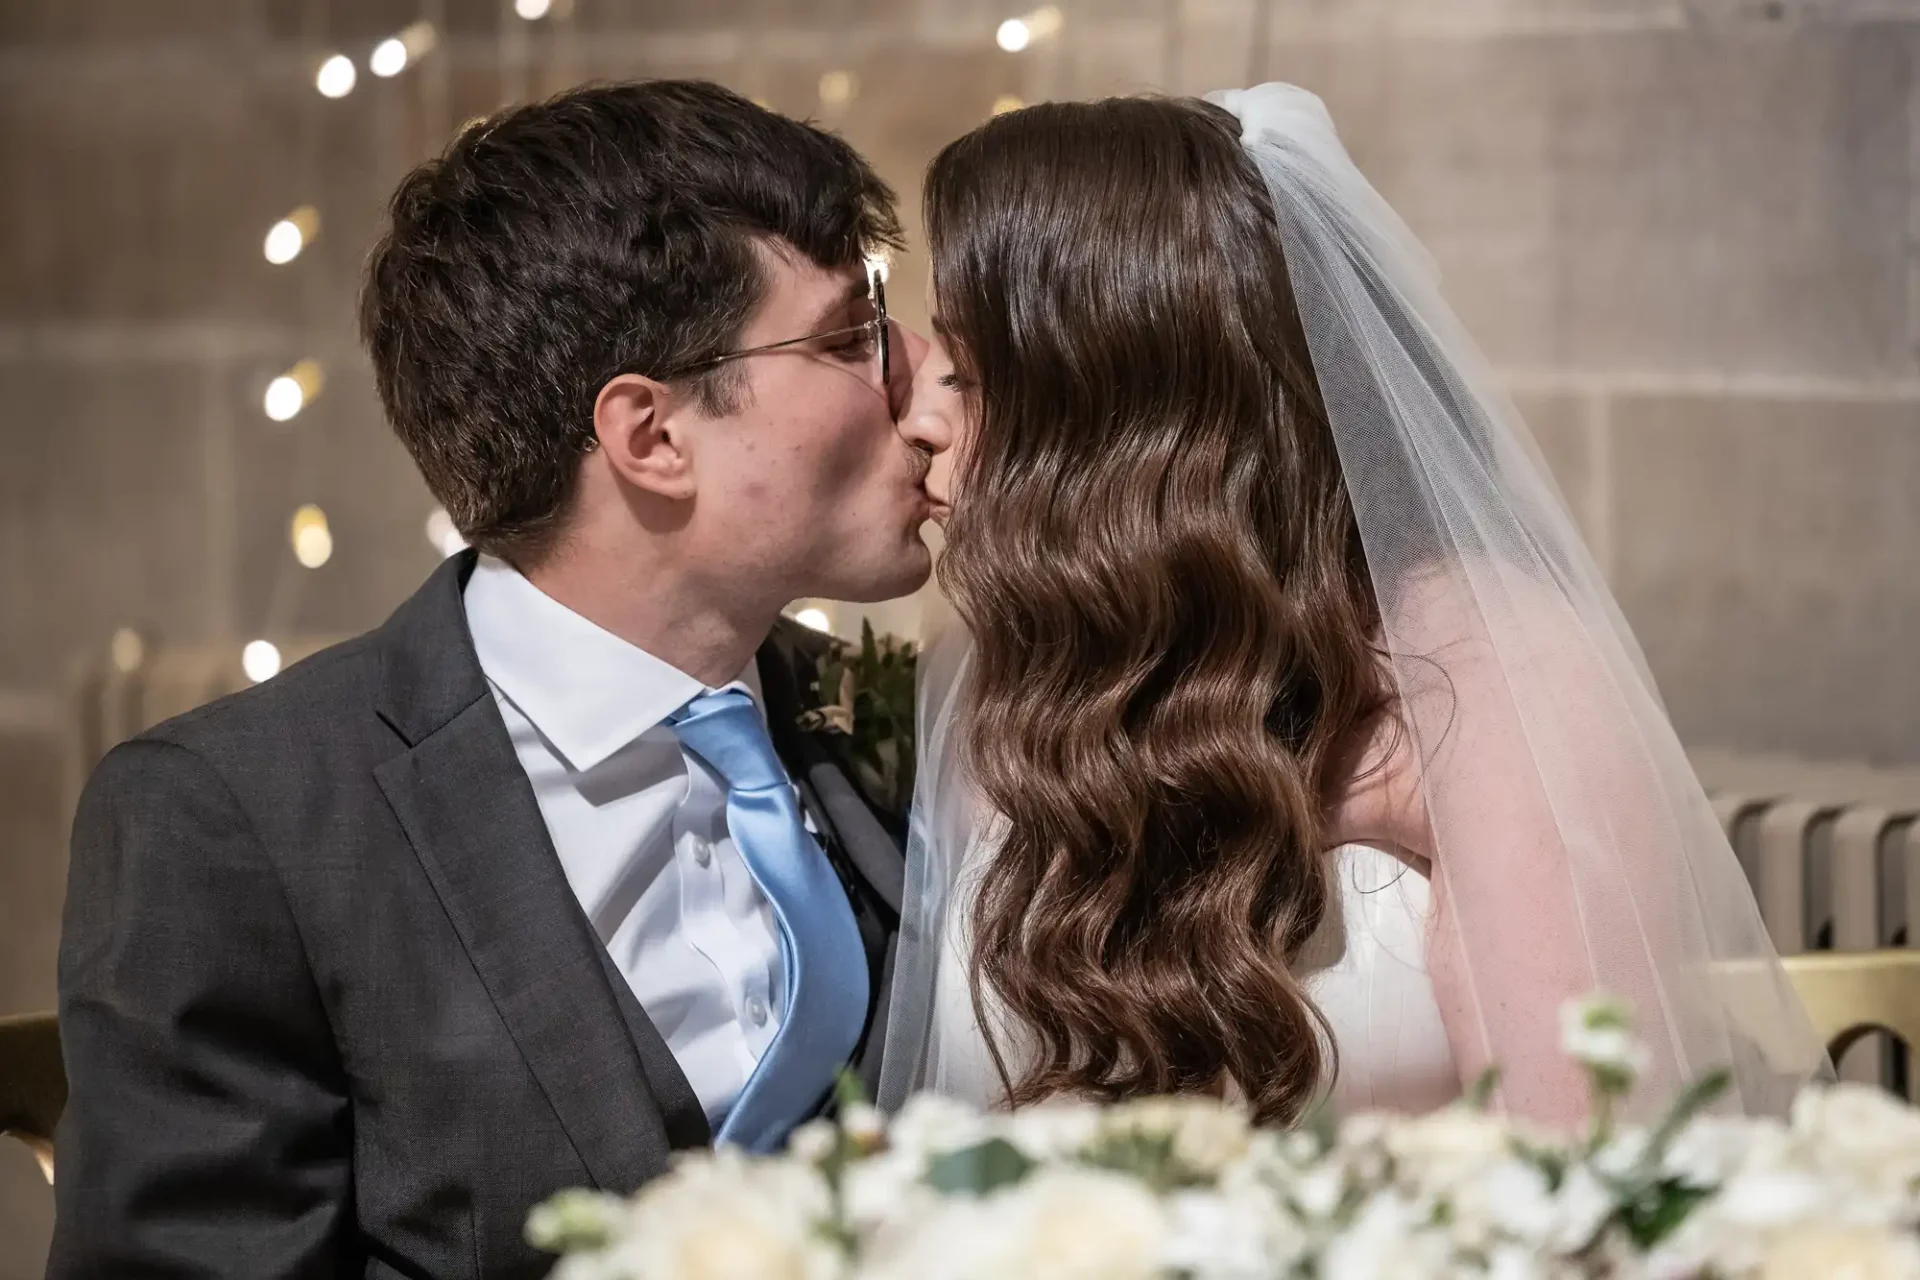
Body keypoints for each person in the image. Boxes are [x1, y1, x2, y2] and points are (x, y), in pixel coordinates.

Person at [52, 80, 932, 1278]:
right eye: (849, 334)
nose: (918, 372)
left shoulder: (913, 726)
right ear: (652, 435)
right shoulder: (237, 821)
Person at [884, 84, 1824, 1129]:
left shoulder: (1484, 671)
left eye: (967, 374)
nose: (917, 418)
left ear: (1115, 418)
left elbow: (1587, 1167)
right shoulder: (990, 676)